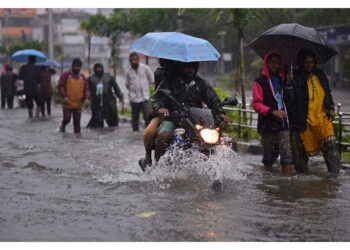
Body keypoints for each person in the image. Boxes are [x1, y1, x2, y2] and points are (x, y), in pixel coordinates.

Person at [152, 61, 229, 162]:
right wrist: (160, 107)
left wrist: (220, 112)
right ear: (181, 67)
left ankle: (219, 164)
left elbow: (212, 98)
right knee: (163, 136)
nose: (190, 70)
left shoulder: (201, 83)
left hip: (195, 119)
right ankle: (157, 165)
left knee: (224, 140)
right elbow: (158, 98)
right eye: (187, 67)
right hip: (173, 118)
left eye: (192, 67)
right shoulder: (169, 82)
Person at [284, 48, 340, 176]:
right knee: (300, 162)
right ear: (300, 63)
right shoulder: (295, 77)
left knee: (331, 149)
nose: (309, 65)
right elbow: (289, 102)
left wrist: (331, 108)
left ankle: (334, 179)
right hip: (302, 123)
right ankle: (302, 189)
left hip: (322, 120)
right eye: (306, 62)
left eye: (311, 62)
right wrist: (288, 85)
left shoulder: (320, 75)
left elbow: (327, 93)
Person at [252, 51, 293, 174]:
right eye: (271, 62)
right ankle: (268, 181)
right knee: (268, 156)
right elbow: (256, 104)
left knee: (286, 155)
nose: (274, 65)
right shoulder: (259, 81)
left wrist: (290, 84)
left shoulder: (284, 79)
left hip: (283, 122)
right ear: (266, 64)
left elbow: (291, 100)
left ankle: (287, 181)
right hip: (267, 124)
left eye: (276, 62)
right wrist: (272, 112)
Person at [139, 59, 173, 170]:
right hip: (165, 113)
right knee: (149, 132)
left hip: (186, 114)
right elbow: (158, 95)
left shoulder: (193, 79)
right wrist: (160, 107)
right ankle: (148, 157)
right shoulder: (161, 74)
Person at [87, 63, 124, 128]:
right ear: (94, 69)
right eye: (97, 68)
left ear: (102, 68)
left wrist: (120, 97)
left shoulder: (109, 77)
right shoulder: (90, 79)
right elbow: (86, 90)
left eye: (100, 68)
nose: (98, 70)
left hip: (109, 104)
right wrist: (86, 99)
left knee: (113, 125)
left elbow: (116, 88)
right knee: (97, 126)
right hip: (97, 105)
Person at [58, 58, 89, 134]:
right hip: (67, 102)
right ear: (72, 66)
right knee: (67, 119)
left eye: (78, 67)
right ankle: (63, 126)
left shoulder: (83, 77)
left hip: (78, 103)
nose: (77, 68)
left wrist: (87, 98)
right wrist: (64, 96)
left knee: (77, 123)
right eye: (75, 66)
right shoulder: (65, 75)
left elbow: (86, 89)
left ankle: (77, 140)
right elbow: (61, 86)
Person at [125, 52, 154, 132]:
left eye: (135, 60)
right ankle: (135, 133)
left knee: (147, 117)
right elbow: (127, 84)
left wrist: (147, 90)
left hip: (145, 97)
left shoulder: (145, 68)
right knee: (135, 118)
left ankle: (149, 132)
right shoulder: (128, 71)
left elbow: (152, 80)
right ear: (130, 61)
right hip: (134, 98)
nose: (134, 61)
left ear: (138, 60)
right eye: (132, 60)